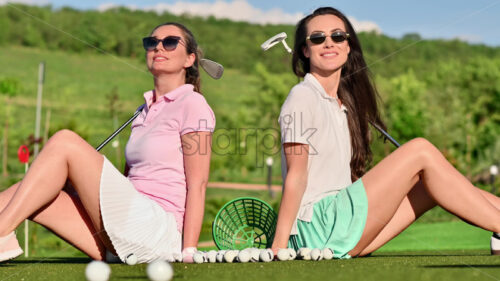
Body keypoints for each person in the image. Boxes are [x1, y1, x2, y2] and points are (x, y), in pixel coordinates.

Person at [271, 7, 500, 259]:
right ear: (305, 50)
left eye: (337, 36)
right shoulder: (301, 96)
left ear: (348, 47)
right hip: (317, 229)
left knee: (430, 184)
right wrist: (279, 247)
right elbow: (296, 176)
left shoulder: (341, 106)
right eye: (317, 38)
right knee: (420, 150)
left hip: (340, 228)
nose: (329, 43)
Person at [0, 22, 215, 263]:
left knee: (65, 141)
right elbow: (127, 182)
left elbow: (198, 184)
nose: (159, 48)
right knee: (25, 191)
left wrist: (189, 251)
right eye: (151, 42)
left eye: (170, 42)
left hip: (158, 231)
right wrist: (74, 183)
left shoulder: (193, 104)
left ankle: (1, 234)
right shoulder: (141, 112)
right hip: (125, 230)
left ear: (189, 59)